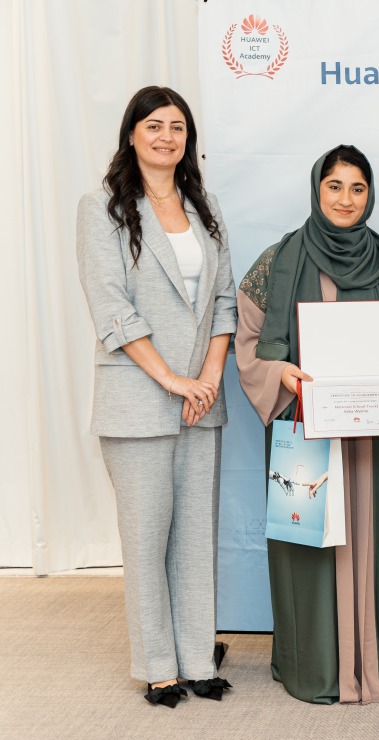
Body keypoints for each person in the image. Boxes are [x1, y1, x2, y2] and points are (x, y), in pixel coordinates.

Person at [236, 145, 379, 704]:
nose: (345, 199)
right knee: (311, 542)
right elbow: (249, 342)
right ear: (316, 189)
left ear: (370, 195)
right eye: (334, 186)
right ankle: (317, 666)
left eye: (357, 188)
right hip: (307, 432)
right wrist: (283, 374)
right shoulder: (277, 262)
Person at [77, 86, 235, 707]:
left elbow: (223, 302)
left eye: (177, 127)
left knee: (197, 537)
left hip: (202, 398)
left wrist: (210, 377)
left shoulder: (207, 206)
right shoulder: (102, 208)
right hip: (140, 397)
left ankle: (197, 660)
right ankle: (159, 666)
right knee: (147, 538)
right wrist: (172, 378)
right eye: (154, 126)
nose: (167, 136)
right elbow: (110, 306)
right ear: (132, 134)